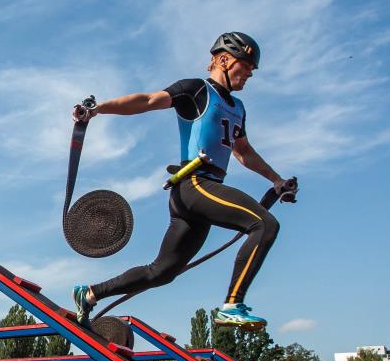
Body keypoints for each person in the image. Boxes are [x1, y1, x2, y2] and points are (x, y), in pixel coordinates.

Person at [71, 32, 292, 330]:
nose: (249, 74)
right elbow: (148, 100)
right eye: (246, 66)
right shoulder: (196, 90)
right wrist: (96, 110)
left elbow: (243, 152)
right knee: (264, 224)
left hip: (198, 198)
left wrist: (276, 179)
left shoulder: (238, 108)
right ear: (224, 60)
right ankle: (232, 305)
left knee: (161, 272)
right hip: (194, 185)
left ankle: (90, 293)